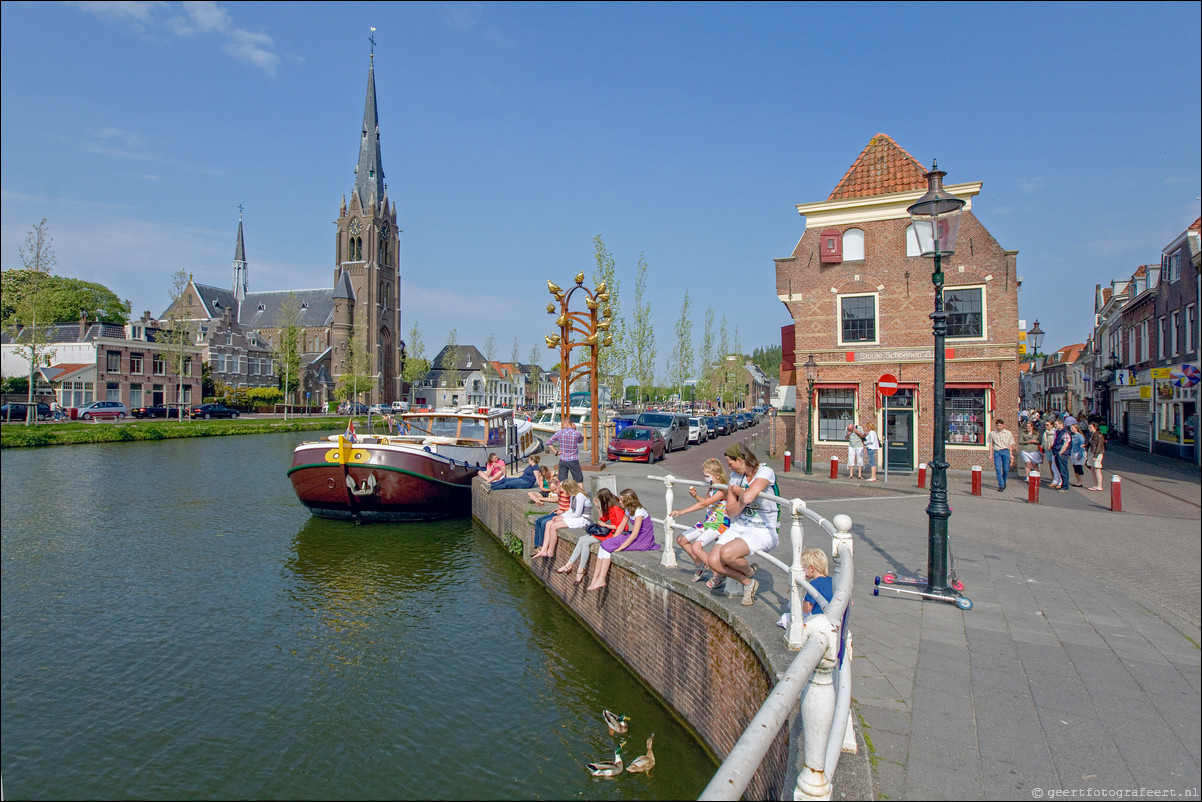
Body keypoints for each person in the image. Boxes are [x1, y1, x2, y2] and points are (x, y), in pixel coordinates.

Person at [708, 442, 779, 607]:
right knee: (713, 561)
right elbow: (731, 512)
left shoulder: (765, 472)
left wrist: (740, 494)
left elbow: (747, 498)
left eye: (731, 464)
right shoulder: (735, 478)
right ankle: (749, 579)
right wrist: (742, 500)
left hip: (763, 528)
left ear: (740, 460)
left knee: (726, 554)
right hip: (740, 525)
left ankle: (748, 574)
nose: (729, 468)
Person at [669, 458, 730, 583]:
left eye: (707, 476)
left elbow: (704, 505)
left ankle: (718, 573)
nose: (705, 479)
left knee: (697, 547)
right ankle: (700, 564)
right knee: (681, 539)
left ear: (718, 476)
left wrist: (682, 511)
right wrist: (696, 496)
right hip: (708, 522)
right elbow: (706, 502)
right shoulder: (712, 487)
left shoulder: (722, 490)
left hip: (719, 524)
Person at [587, 488, 660, 591]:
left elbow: (634, 534)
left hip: (643, 540)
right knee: (605, 544)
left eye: (622, 500)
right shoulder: (628, 509)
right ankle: (595, 579)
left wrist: (621, 547)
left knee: (608, 547)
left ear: (628, 500)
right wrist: (614, 539)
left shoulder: (639, 512)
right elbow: (621, 526)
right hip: (637, 536)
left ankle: (601, 579)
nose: (619, 501)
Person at [555, 488, 627, 583]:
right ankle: (569, 564)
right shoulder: (610, 507)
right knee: (581, 539)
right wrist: (597, 507)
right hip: (609, 531)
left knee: (585, 542)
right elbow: (604, 518)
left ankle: (580, 570)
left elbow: (622, 526)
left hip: (614, 534)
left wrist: (606, 525)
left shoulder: (616, 508)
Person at [534, 479, 590, 559]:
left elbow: (577, 514)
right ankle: (543, 549)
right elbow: (571, 510)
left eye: (566, 490)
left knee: (553, 526)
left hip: (583, 519)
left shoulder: (580, 496)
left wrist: (562, 517)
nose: (565, 492)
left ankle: (550, 551)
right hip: (575, 517)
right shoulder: (573, 496)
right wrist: (561, 517)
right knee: (548, 523)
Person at [531, 477, 570, 551]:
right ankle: (537, 546)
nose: (554, 492)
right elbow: (562, 503)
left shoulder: (566, 492)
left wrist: (564, 511)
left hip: (564, 514)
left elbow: (573, 508)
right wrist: (559, 508)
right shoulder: (558, 492)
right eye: (552, 490)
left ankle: (542, 546)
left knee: (544, 523)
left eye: (555, 489)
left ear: (558, 485)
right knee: (538, 521)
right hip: (560, 511)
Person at [547, 418, 585, 483]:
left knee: (562, 480)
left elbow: (549, 442)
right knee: (578, 479)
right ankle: (580, 492)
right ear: (572, 424)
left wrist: (556, 452)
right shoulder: (576, 433)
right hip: (573, 459)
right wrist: (574, 429)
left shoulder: (559, 433)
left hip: (563, 458)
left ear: (565, 424)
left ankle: (564, 492)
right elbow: (580, 441)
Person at [801, 548, 833, 618]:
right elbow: (850, 602)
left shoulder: (814, 584)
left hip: (819, 619)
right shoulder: (833, 581)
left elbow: (807, 609)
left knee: (785, 618)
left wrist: (799, 602)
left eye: (803, 568)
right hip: (836, 619)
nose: (802, 571)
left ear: (812, 568)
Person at [988, 418, 1016, 492]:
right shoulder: (992, 433)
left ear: (1003, 425)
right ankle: (1001, 485)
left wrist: (1011, 454)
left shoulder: (1008, 433)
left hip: (1005, 451)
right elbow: (991, 444)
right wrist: (990, 454)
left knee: (1006, 469)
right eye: (997, 425)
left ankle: (1004, 482)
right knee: (998, 468)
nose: (999, 427)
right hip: (997, 451)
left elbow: (1010, 445)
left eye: (1000, 425)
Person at [1051, 419, 1071, 493]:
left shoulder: (1065, 433)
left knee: (1063, 470)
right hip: (1056, 453)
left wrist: (1060, 452)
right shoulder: (1058, 432)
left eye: (1056, 424)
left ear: (1061, 424)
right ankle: (1063, 485)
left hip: (1062, 454)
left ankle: (1065, 487)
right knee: (1060, 470)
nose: (1055, 426)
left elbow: (1066, 444)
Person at [1086, 421, 1106, 491]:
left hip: (1096, 453)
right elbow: (1091, 443)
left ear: (1095, 427)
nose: (1089, 428)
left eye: (1090, 427)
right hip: (1091, 452)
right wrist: (1085, 446)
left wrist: (1095, 455)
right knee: (1092, 469)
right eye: (1089, 427)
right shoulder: (1092, 434)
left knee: (1097, 469)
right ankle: (1095, 485)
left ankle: (1099, 486)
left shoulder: (1099, 435)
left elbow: (1099, 446)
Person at [1040, 419, 1059, 488]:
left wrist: (1052, 446)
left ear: (1052, 425)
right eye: (1045, 425)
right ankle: (1053, 478)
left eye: (1047, 425)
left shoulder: (1054, 432)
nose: (1046, 426)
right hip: (1047, 451)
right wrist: (1042, 450)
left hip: (1053, 450)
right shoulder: (1045, 432)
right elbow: (1043, 441)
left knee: (1056, 465)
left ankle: (1058, 479)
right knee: (1051, 466)